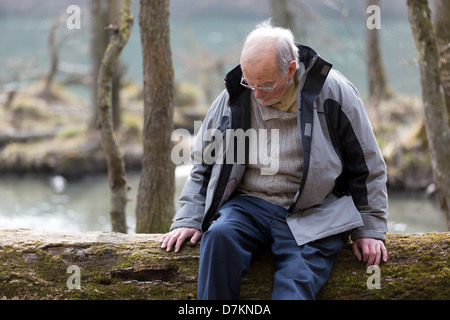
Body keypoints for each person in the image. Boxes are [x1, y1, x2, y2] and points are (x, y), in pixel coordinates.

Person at [161, 20, 388, 300]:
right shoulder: (234, 96)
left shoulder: (334, 93)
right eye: (249, 81)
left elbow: (366, 165)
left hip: (314, 212)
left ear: (290, 69)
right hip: (248, 206)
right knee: (219, 237)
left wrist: (371, 228)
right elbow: (204, 165)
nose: (256, 93)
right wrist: (190, 218)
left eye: (265, 85)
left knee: (294, 288)